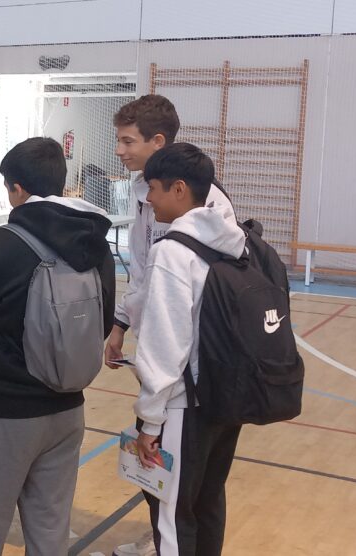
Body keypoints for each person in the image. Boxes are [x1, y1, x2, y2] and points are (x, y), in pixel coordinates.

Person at [0, 137, 115, 556]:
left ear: (17, 189)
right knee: (49, 531)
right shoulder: (95, 243)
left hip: (6, 414)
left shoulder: (5, 242)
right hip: (68, 408)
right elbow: (103, 322)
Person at [105, 96, 235, 556]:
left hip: (188, 382)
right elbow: (141, 272)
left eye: (127, 140)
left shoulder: (203, 217)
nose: (118, 150)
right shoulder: (153, 196)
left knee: (178, 497)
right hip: (190, 378)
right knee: (191, 491)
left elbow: (177, 321)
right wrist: (121, 323)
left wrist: (153, 414)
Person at [131, 143, 246, 556]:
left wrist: (149, 423)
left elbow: (166, 346)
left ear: (179, 189)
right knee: (208, 503)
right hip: (226, 397)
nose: (148, 199)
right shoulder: (235, 245)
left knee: (174, 517)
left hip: (185, 404)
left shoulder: (173, 252)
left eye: (155, 189)